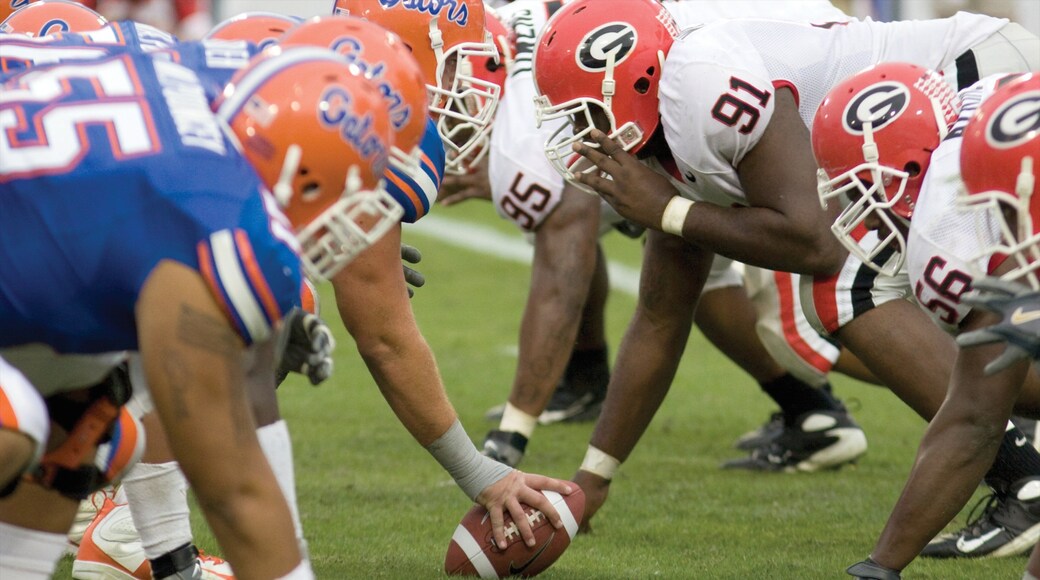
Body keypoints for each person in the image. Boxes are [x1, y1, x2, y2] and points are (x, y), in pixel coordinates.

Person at [532, 0, 1040, 553]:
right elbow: (661, 314)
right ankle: (1018, 469)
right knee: (877, 292)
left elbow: (813, 240)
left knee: (849, 289)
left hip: (972, 83)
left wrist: (669, 212)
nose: (579, 131)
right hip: (929, 116)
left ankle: (1022, 481)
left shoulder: (698, 83)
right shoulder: (667, 126)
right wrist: (593, 477)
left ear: (634, 81)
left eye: (583, 112)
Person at [0, 43, 401, 579]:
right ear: (297, 171)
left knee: (88, 418)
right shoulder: (214, 216)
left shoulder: (183, 70)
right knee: (17, 420)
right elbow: (233, 491)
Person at [452, 0, 874, 471]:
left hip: (767, 120)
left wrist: (512, 432)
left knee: (813, 322)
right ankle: (813, 413)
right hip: (733, 101)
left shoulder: (527, 137)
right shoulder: (523, 31)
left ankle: (954, 410)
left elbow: (563, 268)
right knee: (691, 278)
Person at [818, 71, 1040, 578]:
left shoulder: (946, 235)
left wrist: (881, 566)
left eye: (864, 188)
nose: (868, 219)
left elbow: (975, 418)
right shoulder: (984, 100)